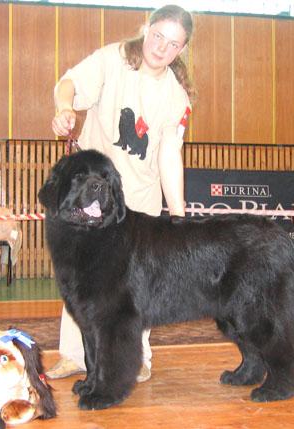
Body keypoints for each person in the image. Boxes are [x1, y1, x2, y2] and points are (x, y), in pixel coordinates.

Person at [48, 4, 193, 382]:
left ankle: (138, 355)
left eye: (173, 44)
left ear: (181, 50)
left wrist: (177, 215)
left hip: (137, 200)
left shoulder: (177, 98)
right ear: (146, 28)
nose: (161, 48)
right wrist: (65, 107)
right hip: (89, 194)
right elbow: (69, 84)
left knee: (135, 287)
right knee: (80, 276)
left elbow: (168, 157)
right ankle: (74, 355)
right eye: (158, 36)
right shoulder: (112, 60)